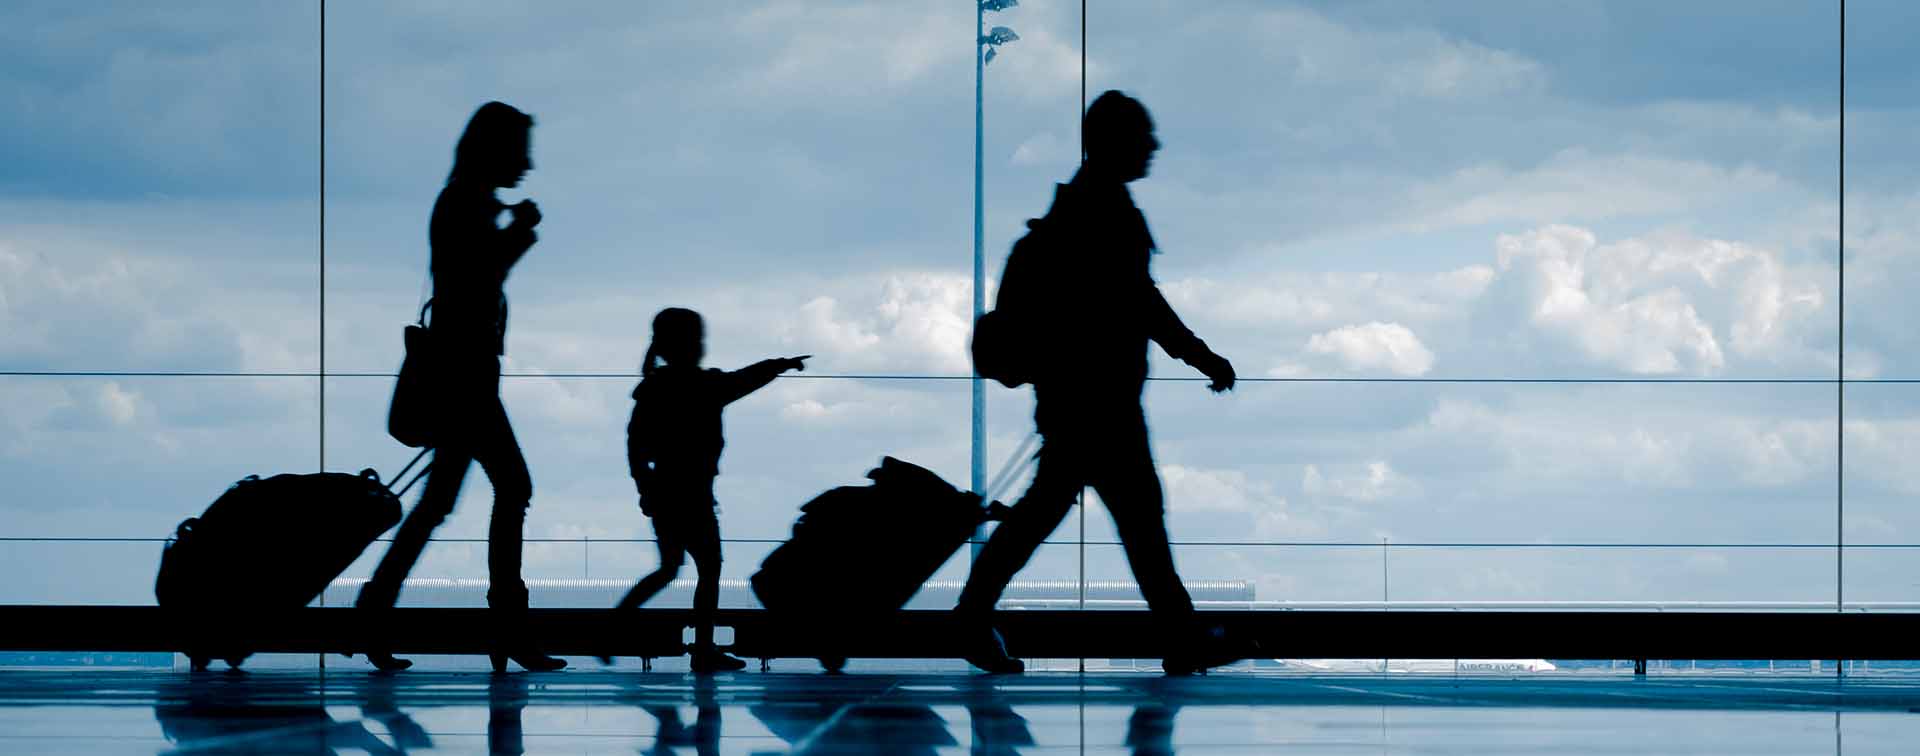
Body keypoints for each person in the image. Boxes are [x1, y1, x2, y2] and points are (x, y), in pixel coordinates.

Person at [956, 90, 1239, 675]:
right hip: (1103, 403)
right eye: (1143, 136)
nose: (1153, 146)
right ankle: (1180, 637)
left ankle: (972, 616)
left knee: (1055, 515)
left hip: (1073, 398)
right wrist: (1202, 356)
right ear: (1117, 143)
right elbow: (1142, 304)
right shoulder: (1108, 216)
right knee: (1135, 520)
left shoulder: (1076, 214)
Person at [352, 101, 564, 673]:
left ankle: (376, 611)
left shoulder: (462, 202)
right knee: (511, 487)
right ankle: (506, 629)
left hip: (459, 372)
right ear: (497, 151)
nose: (527, 164)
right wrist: (520, 233)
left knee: (440, 503)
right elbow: (479, 277)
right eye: (520, 151)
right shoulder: (467, 204)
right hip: (466, 376)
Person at [610, 307, 809, 673]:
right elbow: (745, 379)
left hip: (665, 493)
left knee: (670, 567)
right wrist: (779, 365)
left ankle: (616, 624)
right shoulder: (705, 386)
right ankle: (701, 649)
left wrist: (645, 489)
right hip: (693, 496)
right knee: (708, 567)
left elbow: (635, 448)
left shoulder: (654, 389)